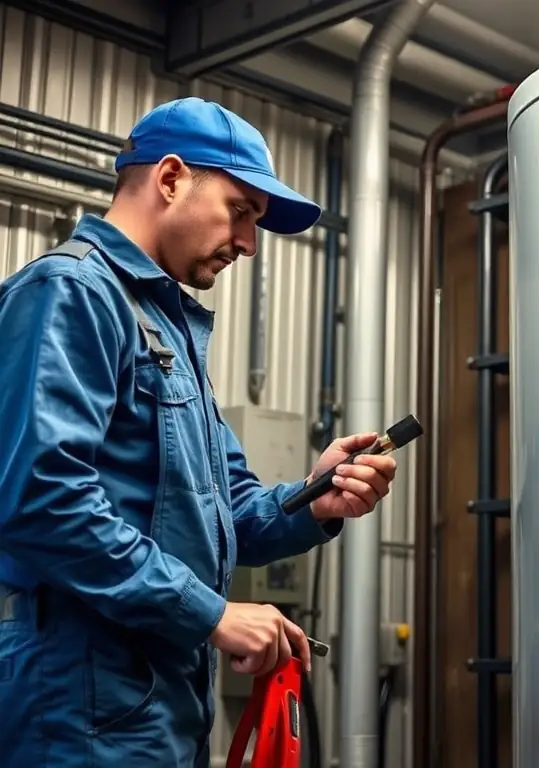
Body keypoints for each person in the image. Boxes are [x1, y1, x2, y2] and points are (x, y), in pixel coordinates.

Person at [0, 97, 397, 765]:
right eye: (240, 212)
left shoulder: (166, 333)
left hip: (157, 699)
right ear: (172, 178)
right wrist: (211, 614)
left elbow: (226, 514)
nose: (248, 243)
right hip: (78, 700)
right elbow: (40, 502)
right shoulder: (71, 293)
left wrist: (313, 498)